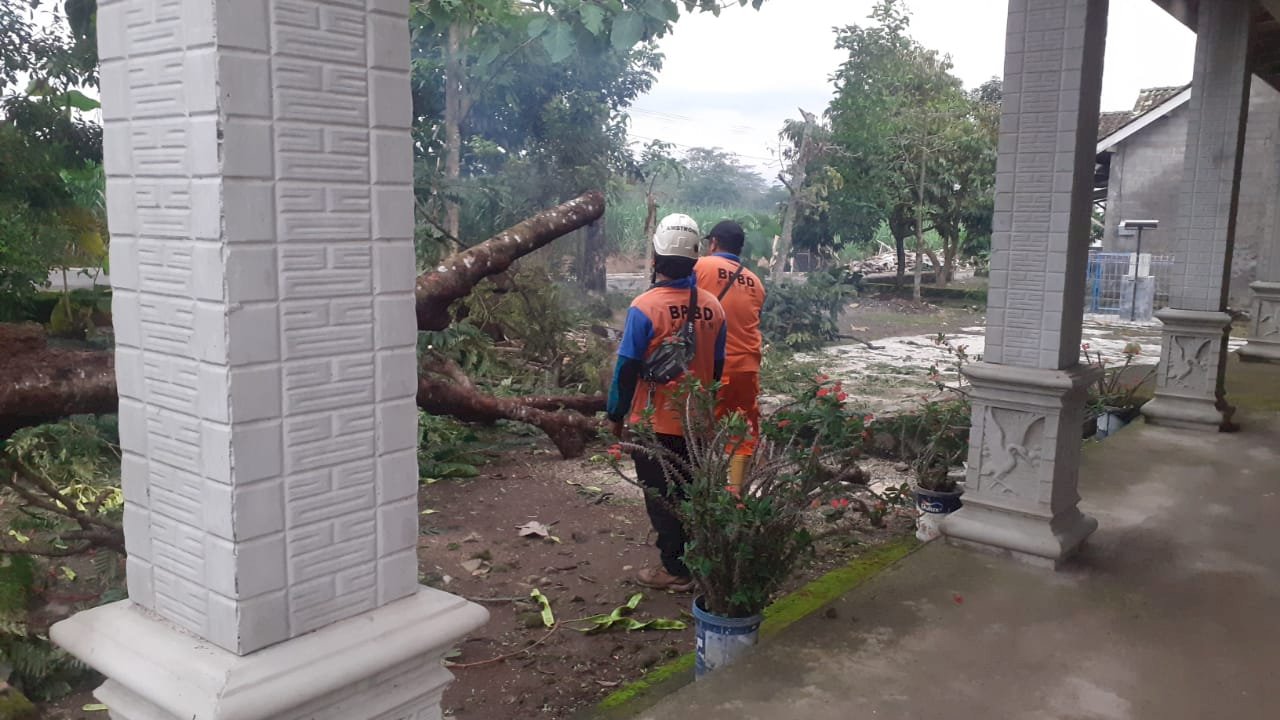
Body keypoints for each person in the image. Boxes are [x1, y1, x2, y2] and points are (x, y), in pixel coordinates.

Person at [607, 213, 727, 592]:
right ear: (696, 259)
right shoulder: (714, 308)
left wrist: (615, 414)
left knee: (661, 498)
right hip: (699, 423)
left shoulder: (645, 307)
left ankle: (676, 569)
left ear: (656, 259)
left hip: (655, 423)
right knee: (694, 491)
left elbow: (626, 369)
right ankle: (699, 559)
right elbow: (717, 367)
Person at [694, 220, 766, 490]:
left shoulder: (700, 266)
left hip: (712, 366)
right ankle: (736, 497)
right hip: (748, 366)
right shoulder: (756, 282)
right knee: (741, 430)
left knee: (697, 428)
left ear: (713, 243)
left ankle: (700, 493)